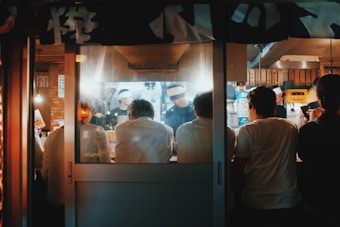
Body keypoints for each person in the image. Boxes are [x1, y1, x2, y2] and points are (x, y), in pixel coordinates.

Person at [232, 86, 302, 226]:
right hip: (289, 202)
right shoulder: (291, 127)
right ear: (274, 107)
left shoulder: (247, 130)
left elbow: (239, 168)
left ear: (252, 107)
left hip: (257, 203)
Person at [297, 74, 340, 226]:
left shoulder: (309, 130)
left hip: (318, 198)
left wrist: (313, 121)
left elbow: (303, 156)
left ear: (319, 99)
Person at [115, 99, 174, 163]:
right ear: (153, 115)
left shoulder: (120, 129)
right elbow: (169, 154)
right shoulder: (168, 130)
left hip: (126, 172)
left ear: (130, 115)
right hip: (158, 172)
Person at [175, 90, 213, 163]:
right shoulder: (228, 133)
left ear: (195, 110)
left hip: (186, 174)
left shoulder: (183, 130)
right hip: (218, 174)